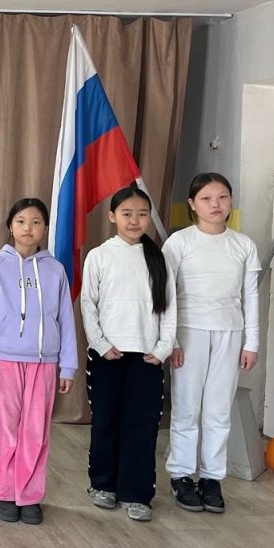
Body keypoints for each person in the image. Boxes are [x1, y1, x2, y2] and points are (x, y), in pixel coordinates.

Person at [162, 172, 260, 514]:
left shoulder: (243, 245)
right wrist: (172, 340)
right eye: (206, 198)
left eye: (222, 197)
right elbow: (167, 295)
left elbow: (250, 296)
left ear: (230, 201)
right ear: (192, 204)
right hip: (189, 332)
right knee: (187, 406)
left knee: (219, 409)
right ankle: (181, 474)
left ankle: (211, 477)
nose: (215, 204)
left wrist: (252, 342)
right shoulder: (179, 243)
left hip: (229, 333)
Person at [0, 197, 77, 525]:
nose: (28, 228)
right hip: (5, 362)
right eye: (21, 221)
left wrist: (67, 365)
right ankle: (5, 492)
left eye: (35, 222)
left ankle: (29, 494)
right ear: (10, 226)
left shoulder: (55, 270)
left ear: (45, 228)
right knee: (4, 429)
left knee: (36, 432)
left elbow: (65, 319)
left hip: (44, 364)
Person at [81, 185, 175, 522]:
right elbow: (88, 304)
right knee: (106, 420)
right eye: (127, 214)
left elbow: (169, 308)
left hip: (146, 357)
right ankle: (103, 484)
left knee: (142, 424)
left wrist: (163, 348)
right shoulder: (99, 256)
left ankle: (136, 493)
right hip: (108, 355)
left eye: (142, 214)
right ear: (112, 217)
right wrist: (100, 343)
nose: (135, 220)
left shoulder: (158, 258)